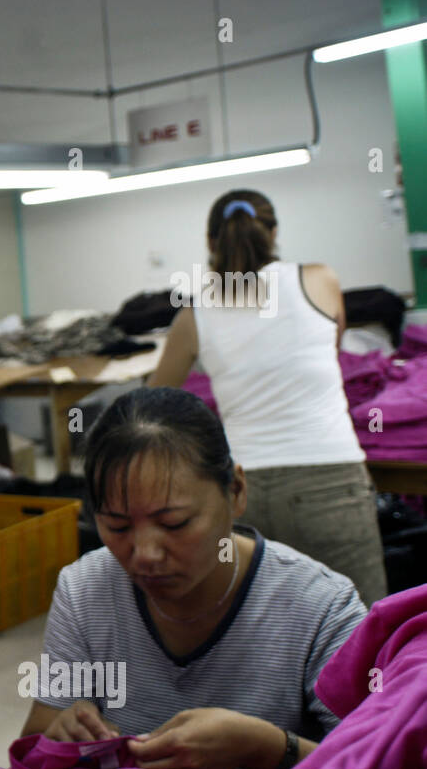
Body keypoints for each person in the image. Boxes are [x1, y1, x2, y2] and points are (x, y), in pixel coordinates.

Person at [21, 387, 366, 769]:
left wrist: (266, 747)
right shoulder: (85, 590)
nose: (145, 554)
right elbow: (36, 746)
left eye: (175, 523)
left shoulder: (320, 608)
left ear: (236, 491)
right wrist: (63, 733)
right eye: (117, 526)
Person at [149, 189, 387, 606]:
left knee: (263, 639)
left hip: (242, 492)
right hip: (330, 484)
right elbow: (333, 347)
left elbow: (152, 406)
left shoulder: (194, 316)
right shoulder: (318, 280)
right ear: (273, 233)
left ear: (210, 241)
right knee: (359, 637)